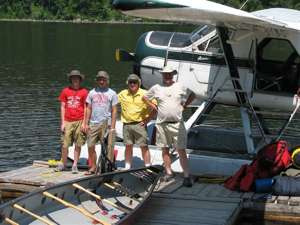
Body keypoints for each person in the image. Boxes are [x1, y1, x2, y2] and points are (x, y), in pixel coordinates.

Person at [143, 65, 196, 187]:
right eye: (165, 74)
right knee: (164, 149)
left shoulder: (180, 86)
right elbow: (145, 97)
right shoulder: (156, 88)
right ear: (162, 75)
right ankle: (168, 172)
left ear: (173, 74)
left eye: (169, 74)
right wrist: (153, 106)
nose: (167, 76)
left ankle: (186, 175)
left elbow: (192, 94)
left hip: (177, 124)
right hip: (162, 124)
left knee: (181, 150)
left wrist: (185, 105)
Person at [118, 74, 155, 169]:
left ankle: (148, 167)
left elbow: (155, 107)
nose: (132, 84)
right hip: (126, 125)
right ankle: (127, 167)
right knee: (128, 146)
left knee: (144, 146)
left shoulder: (145, 93)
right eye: (130, 82)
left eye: (135, 82)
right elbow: (112, 103)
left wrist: (148, 119)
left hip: (140, 124)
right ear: (128, 83)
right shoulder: (123, 93)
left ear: (139, 83)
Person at [84, 71, 118, 175]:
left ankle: (107, 168)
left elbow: (114, 110)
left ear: (107, 81)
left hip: (106, 123)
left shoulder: (112, 93)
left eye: (103, 79)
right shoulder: (92, 92)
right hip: (93, 123)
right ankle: (93, 167)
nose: (101, 81)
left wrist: (112, 126)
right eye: (99, 79)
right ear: (97, 81)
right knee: (90, 145)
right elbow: (88, 108)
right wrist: (86, 123)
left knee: (107, 147)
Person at [57, 70, 88, 173]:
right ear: (70, 79)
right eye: (73, 78)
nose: (75, 80)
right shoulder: (65, 91)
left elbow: (86, 107)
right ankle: (63, 163)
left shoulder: (84, 92)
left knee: (78, 143)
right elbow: (62, 107)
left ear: (80, 80)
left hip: (80, 120)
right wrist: (63, 122)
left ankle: (75, 164)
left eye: (77, 78)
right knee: (65, 144)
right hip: (68, 121)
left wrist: (84, 123)